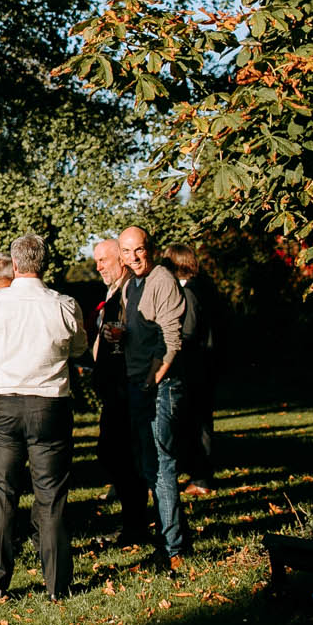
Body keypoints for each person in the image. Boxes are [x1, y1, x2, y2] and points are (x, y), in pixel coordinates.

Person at [0, 233, 88, 601]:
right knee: (51, 496)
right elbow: (79, 347)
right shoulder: (62, 304)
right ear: (43, 263)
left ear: (15, 262)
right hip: (48, 403)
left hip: (5, 403)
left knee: (2, 494)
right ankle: (57, 585)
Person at [118, 225, 191, 571]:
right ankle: (173, 537)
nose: (132, 258)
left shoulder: (162, 280)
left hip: (158, 385)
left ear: (151, 248)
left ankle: (172, 548)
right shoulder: (130, 285)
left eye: (139, 250)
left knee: (162, 466)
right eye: (126, 251)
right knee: (150, 467)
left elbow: (171, 343)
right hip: (138, 383)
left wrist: (151, 382)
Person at [90, 237, 147, 544]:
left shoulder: (128, 292)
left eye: (103, 260)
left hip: (124, 386)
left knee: (122, 455)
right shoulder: (114, 291)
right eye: (96, 260)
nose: (98, 266)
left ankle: (136, 525)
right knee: (114, 454)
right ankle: (134, 523)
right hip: (114, 387)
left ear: (121, 261)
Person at [163, 243, 223, 496]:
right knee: (199, 422)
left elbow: (187, 333)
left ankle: (201, 478)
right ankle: (199, 474)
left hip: (194, 367)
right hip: (204, 365)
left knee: (196, 423)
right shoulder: (204, 289)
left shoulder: (188, 294)